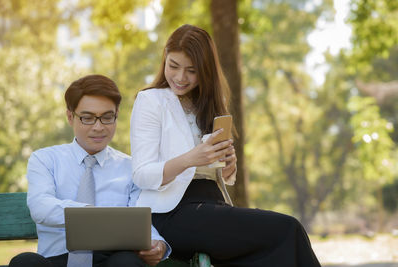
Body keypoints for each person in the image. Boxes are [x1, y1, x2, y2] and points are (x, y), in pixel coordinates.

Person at [130, 24, 321, 267]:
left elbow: (221, 176)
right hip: (171, 212)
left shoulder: (212, 103)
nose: (180, 77)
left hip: (212, 204)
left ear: (206, 71)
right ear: (164, 59)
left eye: (191, 70)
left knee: (280, 238)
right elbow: (141, 174)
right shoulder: (151, 100)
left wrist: (228, 167)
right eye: (173, 66)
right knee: (287, 228)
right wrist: (192, 158)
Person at [9, 74, 170, 267]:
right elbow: (40, 206)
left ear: (117, 115)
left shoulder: (131, 167)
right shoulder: (45, 159)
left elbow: (140, 218)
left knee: (127, 262)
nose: (98, 127)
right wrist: (93, 216)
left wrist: (157, 244)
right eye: (87, 118)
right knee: (24, 262)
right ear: (70, 116)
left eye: (107, 117)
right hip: (57, 260)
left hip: (109, 259)